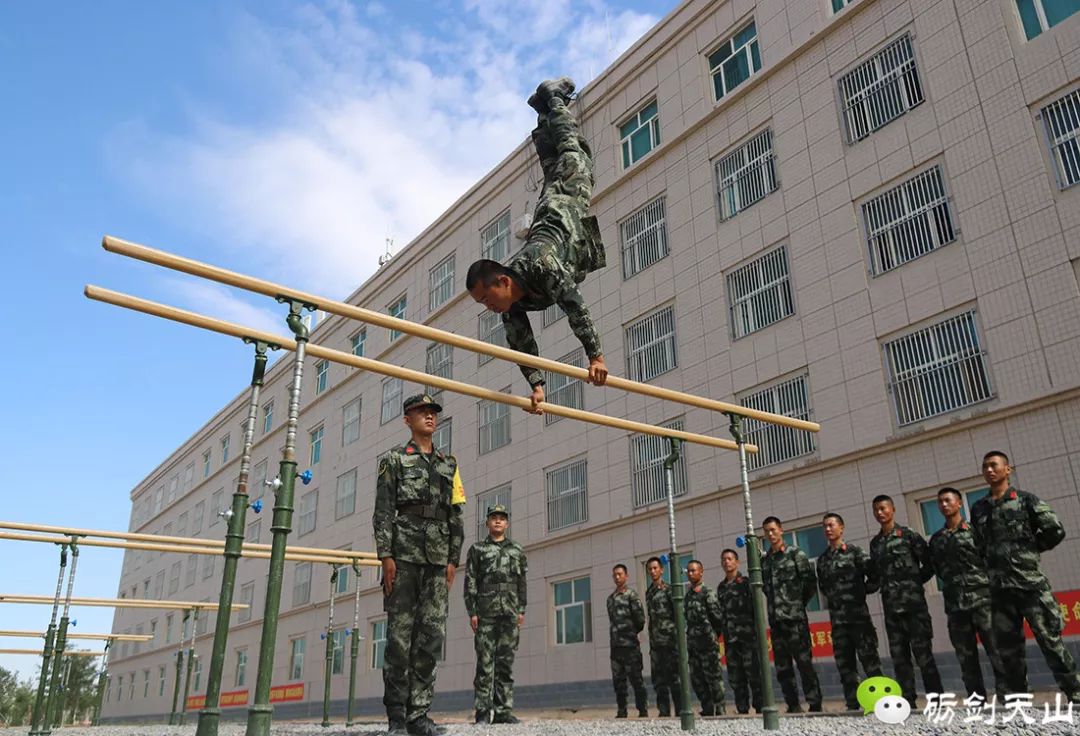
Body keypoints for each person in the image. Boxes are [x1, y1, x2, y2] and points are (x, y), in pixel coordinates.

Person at [466, 77, 608, 414]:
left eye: (487, 298)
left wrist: (595, 355)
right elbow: (522, 344)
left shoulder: (541, 266)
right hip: (551, 210)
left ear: (502, 281)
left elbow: (574, 303)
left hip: (568, 200)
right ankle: (542, 113)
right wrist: (538, 387)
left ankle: (554, 99)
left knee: (574, 151)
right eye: (482, 302)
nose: (488, 307)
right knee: (551, 163)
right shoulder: (510, 306)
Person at [373, 394, 466, 736]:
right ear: (407, 419)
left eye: (433, 412)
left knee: (430, 637)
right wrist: (386, 555)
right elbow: (383, 511)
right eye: (421, 412)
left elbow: (456, 512)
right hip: (404, 556)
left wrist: (454, 558)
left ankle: (419, 715)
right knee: (399, 638)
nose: (429, 416)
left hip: (438, 559)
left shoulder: (449, 463)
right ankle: (397, 715)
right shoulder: (394, 461)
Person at [970, 451, 1080, 702]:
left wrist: (1029, 552)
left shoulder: (1026, 500)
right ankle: (1018, 700)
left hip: (1030, 585)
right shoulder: (978, 509)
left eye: (994, 465)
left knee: (1050, 641)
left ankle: (1075, 692)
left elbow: (1055, 529)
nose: (989, 470)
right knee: (1009, 649)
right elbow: (978, 545)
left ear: (1008, 469)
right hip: (999, 590)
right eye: (985, 466)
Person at [928, 487, 1005, 700]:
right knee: (966, 657)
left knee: (996, 651)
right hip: (956, 607)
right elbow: (936, 568)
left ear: (959, 503)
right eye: (940, 502)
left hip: (984, 602)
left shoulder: (975, 532)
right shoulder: (937, 539)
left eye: (948, 500)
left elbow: (992, 560)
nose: (944, 505)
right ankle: (976, 700)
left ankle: (1008, 698)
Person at [869, 494, 943, 708]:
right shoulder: (876, 544)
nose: (880, 513)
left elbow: (928, 564)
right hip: (892, 610)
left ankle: (936, 700)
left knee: (923, 655)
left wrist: (913, 584)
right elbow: (876, 575)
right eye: (876, 510)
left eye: (883, 508)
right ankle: (907, 700)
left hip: (914, 608)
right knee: (899, 658)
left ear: (892, 510)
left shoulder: (909, 536)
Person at [464, 504, 527, 725]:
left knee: (505, 663)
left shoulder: (517, 550)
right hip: (486, 614)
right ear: (487, 523)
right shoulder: (477, 550)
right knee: (485, 664)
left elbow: (521, 583)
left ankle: (503, 712)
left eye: (502, 518)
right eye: (494, 518)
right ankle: (482, 712)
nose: (498, 521)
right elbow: (470, 581)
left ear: (507, 523)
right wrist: (472, 612)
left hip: (509, 613)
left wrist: (521, 609)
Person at [815, 512, 884, 711]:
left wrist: (862, 591)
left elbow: (874, 575)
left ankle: (879, 702)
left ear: (841, 528)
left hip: (859, 619)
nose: (828, 529)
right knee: (845, 665)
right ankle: (853, 704)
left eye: (831, 525)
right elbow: (823, 587)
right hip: (838, 622)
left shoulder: (854, 552)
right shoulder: (823, 560)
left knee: (870, 661)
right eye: (825, 526)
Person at [760, 517, 822, 713]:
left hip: (795, 620)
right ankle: (793, 704)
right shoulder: (765, 560)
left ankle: (814, 703)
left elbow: (809, 583)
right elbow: (766, 589)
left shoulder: (796, 554)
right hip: (776, 622)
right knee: (782, 667)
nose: (770, 534)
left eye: (773, 530)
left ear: (781, 530)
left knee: (804, 663)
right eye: (767, 531)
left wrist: (796, 603)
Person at [716, 549, 762, 714]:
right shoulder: (721, 588)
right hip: (730, 640)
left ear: (737, 562)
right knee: (736, 677)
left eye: (729, 559)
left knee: (754, 675)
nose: (726, 562)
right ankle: (742, 709)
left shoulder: (745, 583)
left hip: (747, 638)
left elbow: (756, 609)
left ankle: (761, 708)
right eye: (724, 559)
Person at [683, 560, 726, 716]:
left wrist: (712, 635)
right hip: (693, 645)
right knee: (697, 679)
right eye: (689, 571)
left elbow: (717, 618)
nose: (691, 573)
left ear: (701, 572)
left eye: (694, 570)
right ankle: (707, 707)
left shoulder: (708, 592)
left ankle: (720, 708)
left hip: (708, 643)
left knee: (713, 677)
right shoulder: (687, 596)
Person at [606, 564, 648, 718]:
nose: (617, 577)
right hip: (616, 647)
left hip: (630, 646)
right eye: (615, 575)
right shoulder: (610, 599)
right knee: (618, 681)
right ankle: (622, 710)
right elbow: (612, 620)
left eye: (620, 574)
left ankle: (642, 710)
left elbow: (640, 620)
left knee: (636, 679)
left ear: (626, 576)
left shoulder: (632, 595)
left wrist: (631, 633)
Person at [644, 556, 682, 717]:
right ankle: (664, 711)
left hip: (670, 642)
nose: (653, 571)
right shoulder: (649, 592)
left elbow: (677, 615)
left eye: (655, 568)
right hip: (655, 644)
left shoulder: (669, 590)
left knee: (675, 679)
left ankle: (681, 711)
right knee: (659, 681)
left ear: (661, 570)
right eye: (650, 569)